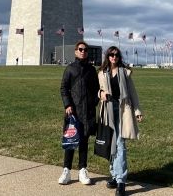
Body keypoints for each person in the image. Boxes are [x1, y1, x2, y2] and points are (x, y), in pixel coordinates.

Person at [98, 46, 143, 196]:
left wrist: (137, 111)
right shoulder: (102, 73)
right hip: (108, 111)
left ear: (119, 57)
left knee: (120, 145)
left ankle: (121, 181)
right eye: (111, 54)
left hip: (123, 110)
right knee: (110, 145)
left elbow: (132, 93)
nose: (114, 57)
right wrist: (101, 93)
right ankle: (114, 175)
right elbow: (97, 90)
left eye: (116, 55)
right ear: (107, 56)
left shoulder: (125, 72)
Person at [59, 40, 99, 185]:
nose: (83, 52)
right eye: (80, 49)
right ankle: (66, 170)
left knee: (83, 141)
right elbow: (64, 88)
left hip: (87, 111)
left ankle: (82, 169)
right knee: (70, 141)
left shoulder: (91, 70)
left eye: (85, 50)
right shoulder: (70, 69)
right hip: (73, 111)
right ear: (76, 51)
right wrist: (67, 104)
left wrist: (94, 102)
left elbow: (96, 89)